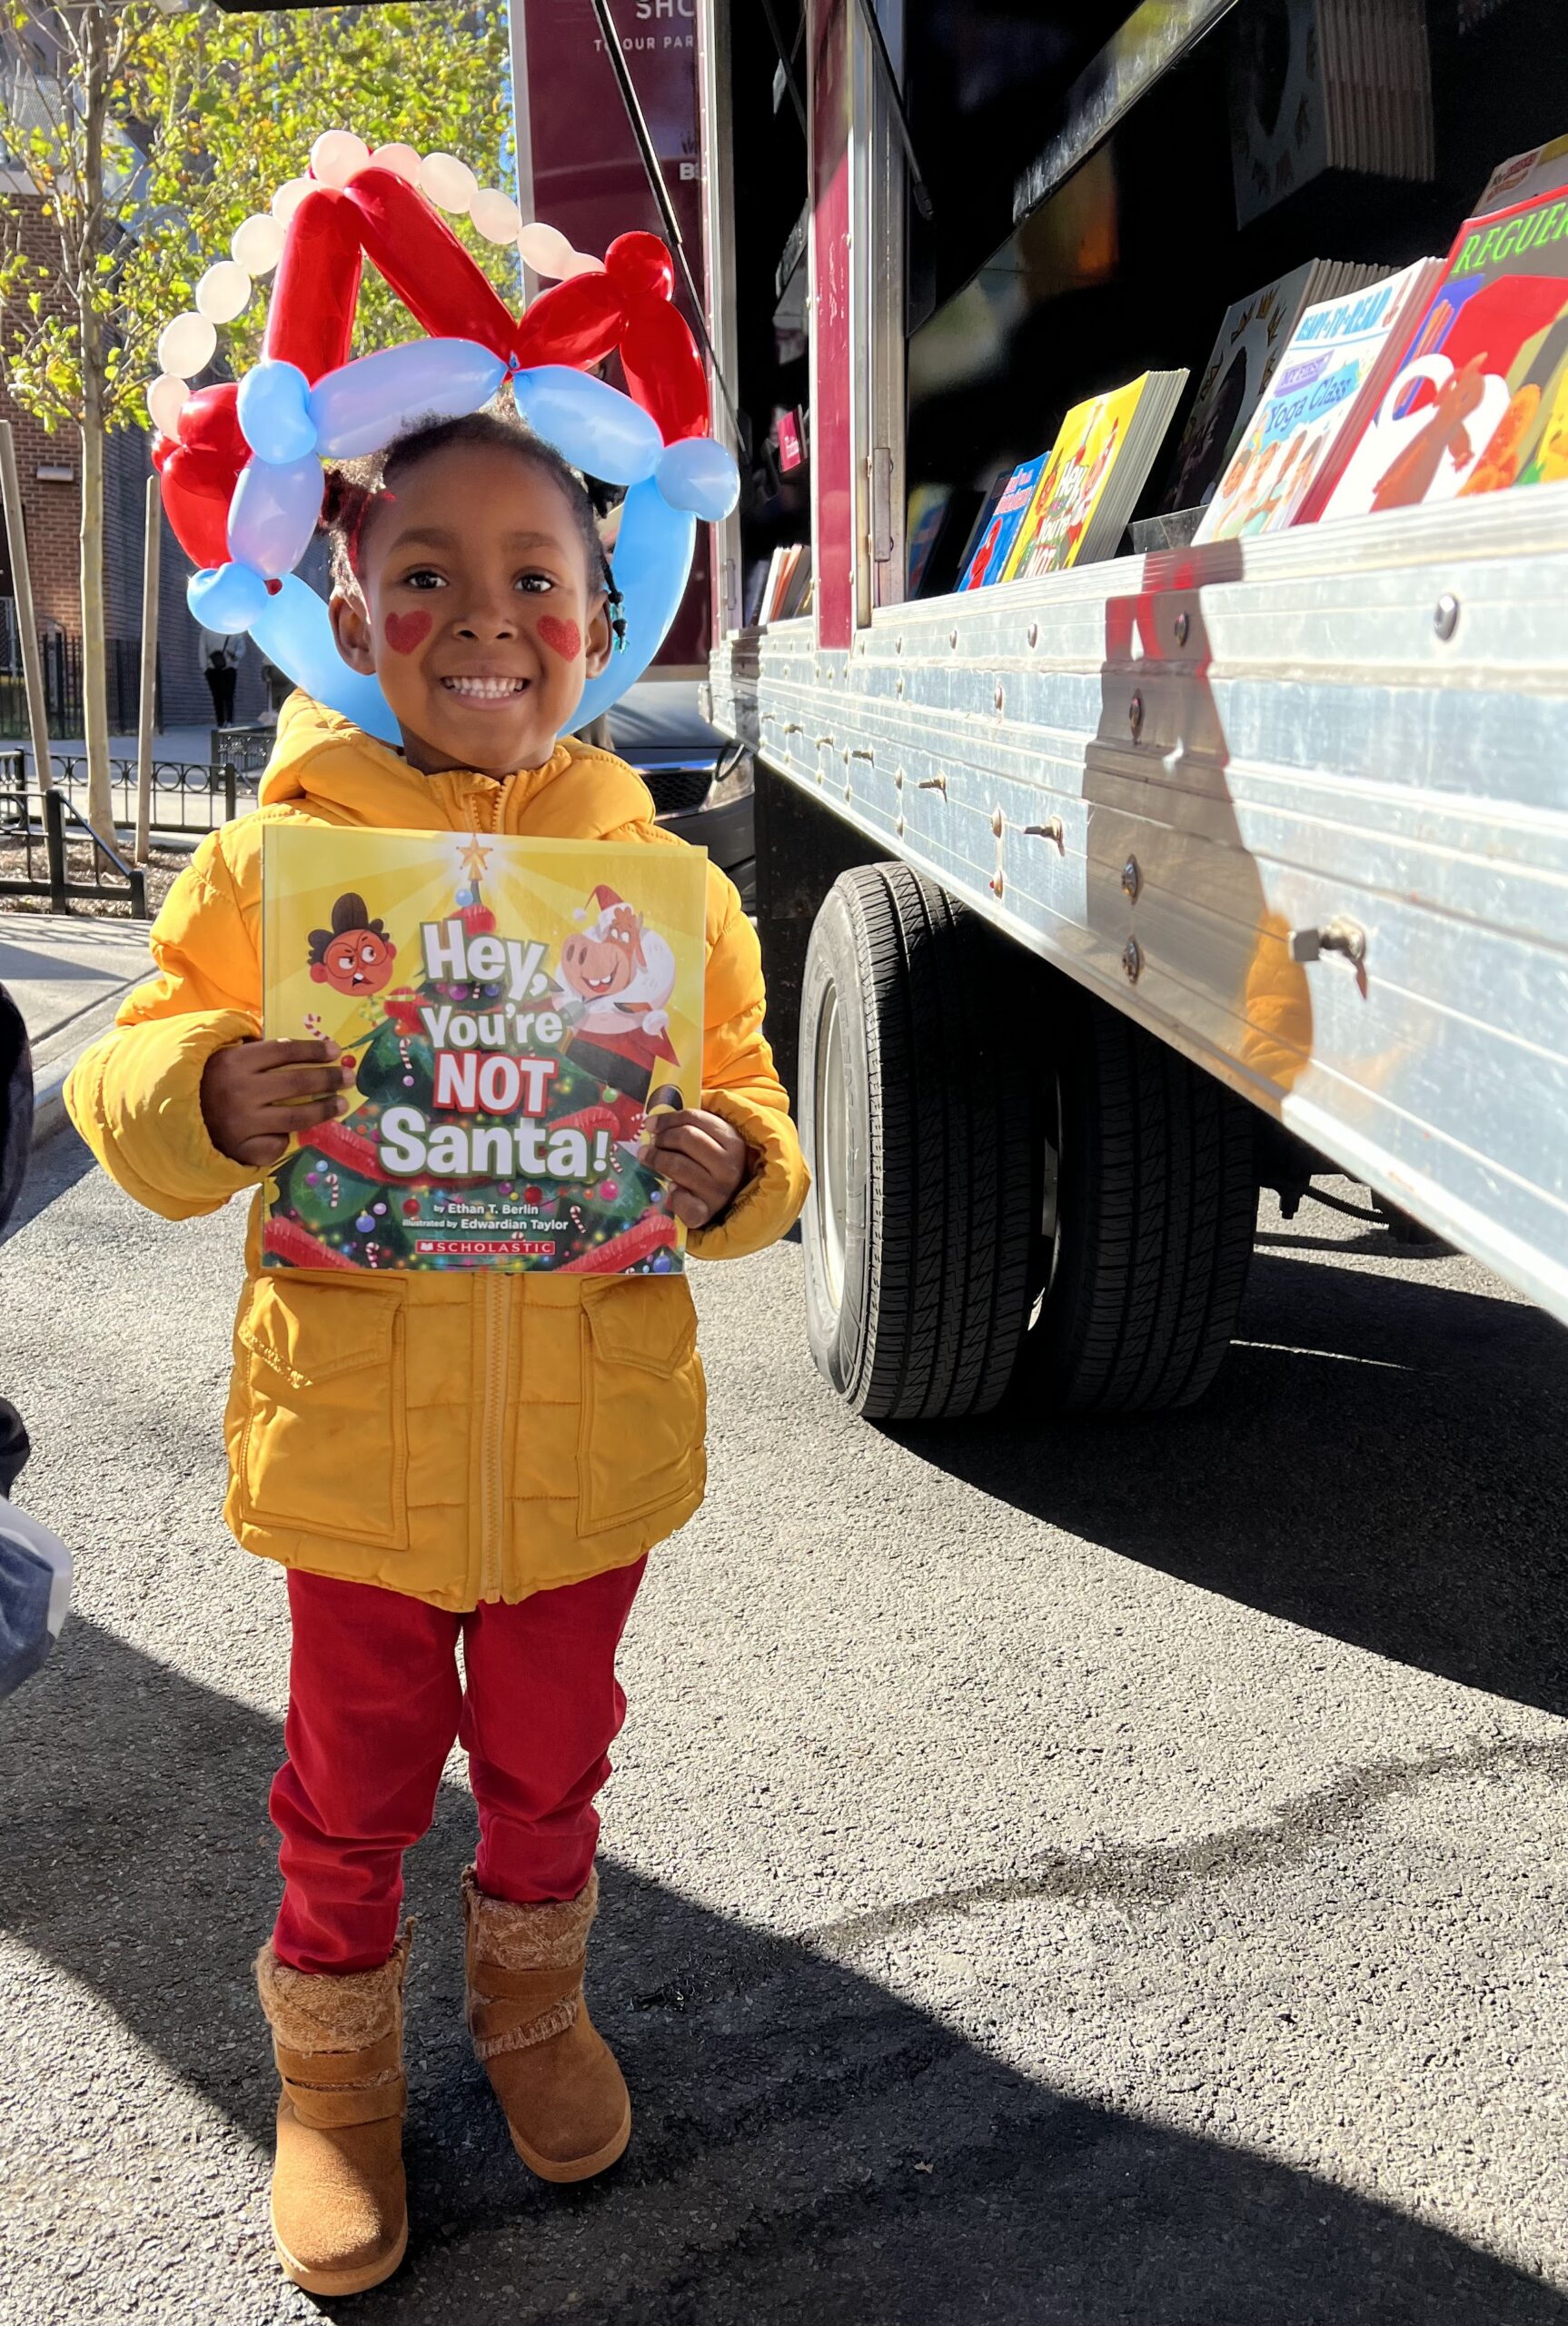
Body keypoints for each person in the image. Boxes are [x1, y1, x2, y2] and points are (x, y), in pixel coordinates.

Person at [65, 408, 809, 2299]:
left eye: (531, 577)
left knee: (553, 1763)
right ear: (347, 600)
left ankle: (530, 2011)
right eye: (425, 575)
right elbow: (122, 1073)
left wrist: (729, 1166)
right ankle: (334, 2079)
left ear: (601, 609)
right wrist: (209, 1092)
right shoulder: (275, 860)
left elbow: (750, 1119)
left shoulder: (669, 888)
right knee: (349, 1780)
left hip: (588, 1451)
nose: (483, 616)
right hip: (356, 1447)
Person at [200, 626, 240, 726]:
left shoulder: (207, 629)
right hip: (226, 667)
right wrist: (236, 657)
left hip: (215, 667)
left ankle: (221, 721)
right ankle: (228, 721)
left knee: (218, 696)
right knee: (227, 695)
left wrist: (204, 667)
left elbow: (202, 648)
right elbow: (241, 647)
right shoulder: (233, 629)